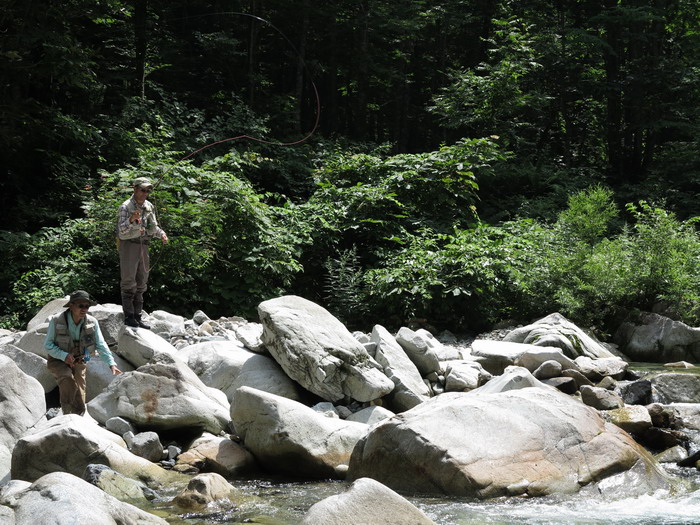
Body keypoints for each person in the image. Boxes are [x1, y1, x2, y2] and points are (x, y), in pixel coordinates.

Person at [45, 290, 122, 416]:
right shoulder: (56, 320)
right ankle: (66, 414)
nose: (84, 309)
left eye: (87, 306)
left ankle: (79, 416)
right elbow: (47, 345)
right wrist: (63, 356)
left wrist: (111, 364)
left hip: (80, 359)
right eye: (81, 306)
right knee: (67, 378)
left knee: (80, 389)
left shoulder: (92, 322)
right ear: (71, 305)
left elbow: (101, 344)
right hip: (57, 360)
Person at [117, 176, 168, 329]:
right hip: (129, 246)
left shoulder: (149, 206)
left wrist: (162, 234)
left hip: (144, 246)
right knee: (128, 281)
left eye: (147, 191)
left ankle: (138, 316)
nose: (145, 193)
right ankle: (129, 316)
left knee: (142, 281)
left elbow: (153, 227)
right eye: (143, 190)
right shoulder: (125, 207)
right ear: (135, 189)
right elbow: (121, 232)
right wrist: (132, 220)